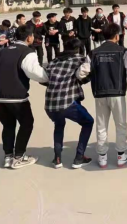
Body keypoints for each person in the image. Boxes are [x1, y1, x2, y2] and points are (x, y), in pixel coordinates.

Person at [0, 25, 49, 170]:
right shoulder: (27, 52)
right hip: (15, 96)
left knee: (8, 125)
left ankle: (8, 156)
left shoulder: (1, 51)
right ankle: (19, 156)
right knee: (27, 123)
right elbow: (36, 73)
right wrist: (48, 78)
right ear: (29, 38)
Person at [90, 24, 127, 169]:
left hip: (100, 93)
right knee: (120, 124)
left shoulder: (94, 52)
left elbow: (82, 72)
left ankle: (102, 158)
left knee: (101, 125)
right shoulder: (123, 51)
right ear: (117, 36)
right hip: (117, 93)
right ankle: (121, 156)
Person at [45, 38, 94, 170]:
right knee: (88, 122)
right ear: (78, 49)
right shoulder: (80, 59)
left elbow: (44, 80)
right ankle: (79, 157)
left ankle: (57, 158)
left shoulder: (53, 61)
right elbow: (84, 76)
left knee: (59, 125)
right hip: (68, 103)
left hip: (50, 105)